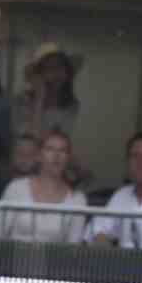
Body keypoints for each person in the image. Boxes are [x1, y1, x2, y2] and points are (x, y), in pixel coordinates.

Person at [0, 129, 87, 244]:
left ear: (68, 158)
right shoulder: (16, 188)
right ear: (39, 156)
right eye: (50, 149)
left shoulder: (77, 199)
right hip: (13, 259)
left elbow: (73, 248)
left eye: (63, 150)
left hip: (54, 261)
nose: (56, 156)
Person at [14, 43, 87, 187]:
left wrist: (77, 167)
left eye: (60, 68)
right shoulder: (22, 102)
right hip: (27, 174)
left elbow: (63, 140)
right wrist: (39, 98)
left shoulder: (71, 105)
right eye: (50, 69)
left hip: (59, 173)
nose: (56, 74)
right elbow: (32, 138)